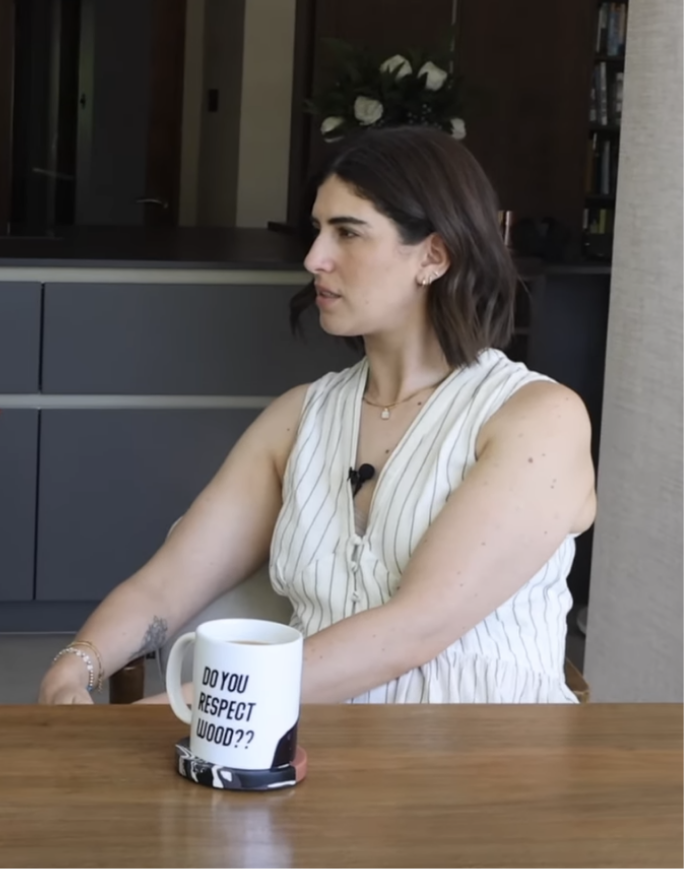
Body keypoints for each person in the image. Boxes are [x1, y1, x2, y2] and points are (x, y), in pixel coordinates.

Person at [39, 125, 596, 706]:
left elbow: (416, 629)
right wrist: (75, 668)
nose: (313, 258)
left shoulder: (537, 418)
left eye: (348, 233)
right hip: (304, 744)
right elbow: (169, 582)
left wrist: (192, 710)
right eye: (317, 230)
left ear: (433, 255)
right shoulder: (298, 418)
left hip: (486, 750)